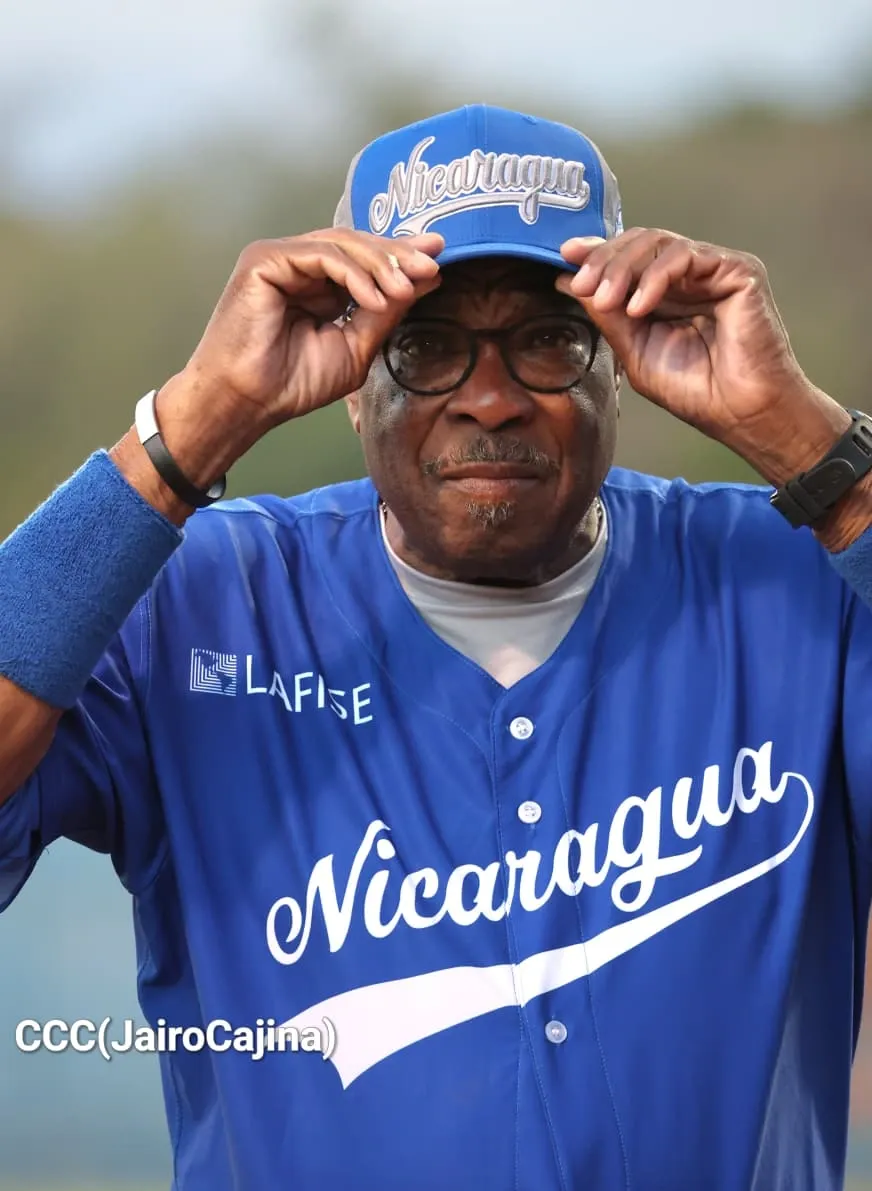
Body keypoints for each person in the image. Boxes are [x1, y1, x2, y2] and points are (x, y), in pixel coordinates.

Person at [1, 102, 871, 1191]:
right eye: (425, 346)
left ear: (621, 370)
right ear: (353, 387)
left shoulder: (790, 584)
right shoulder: (204, 602)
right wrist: (197, 422)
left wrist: (806, 442)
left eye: (549, 342)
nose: (493, 398)